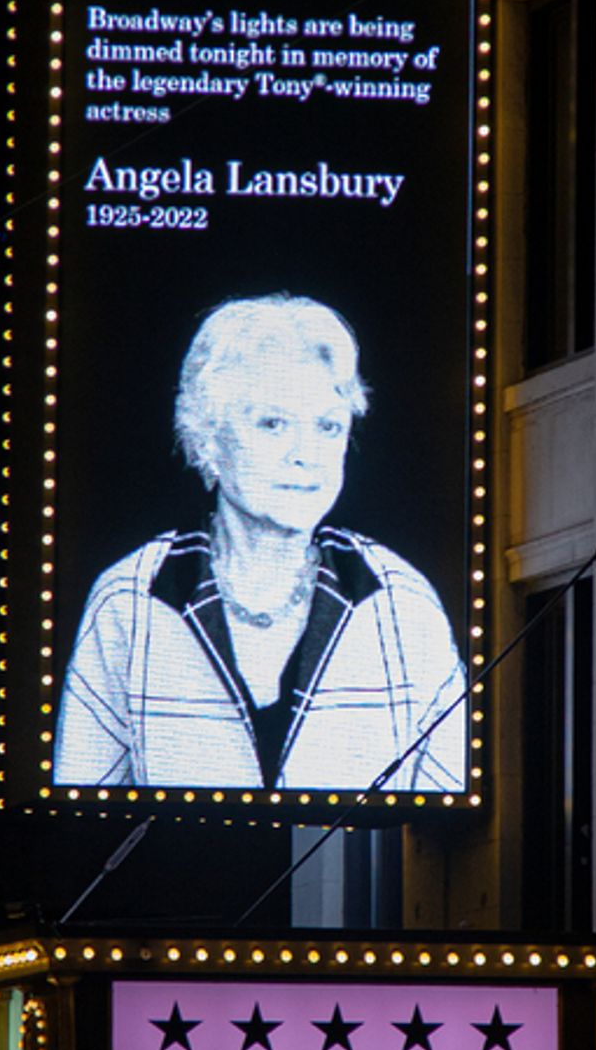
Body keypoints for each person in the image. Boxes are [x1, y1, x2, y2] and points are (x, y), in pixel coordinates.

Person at [53, 295, 466, 793]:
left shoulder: (403, 604)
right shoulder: (130, 599)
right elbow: (82, 808)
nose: (306, 456)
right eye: (273, 423)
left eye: (328, 426)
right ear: (208, 438)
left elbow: (447, 817)